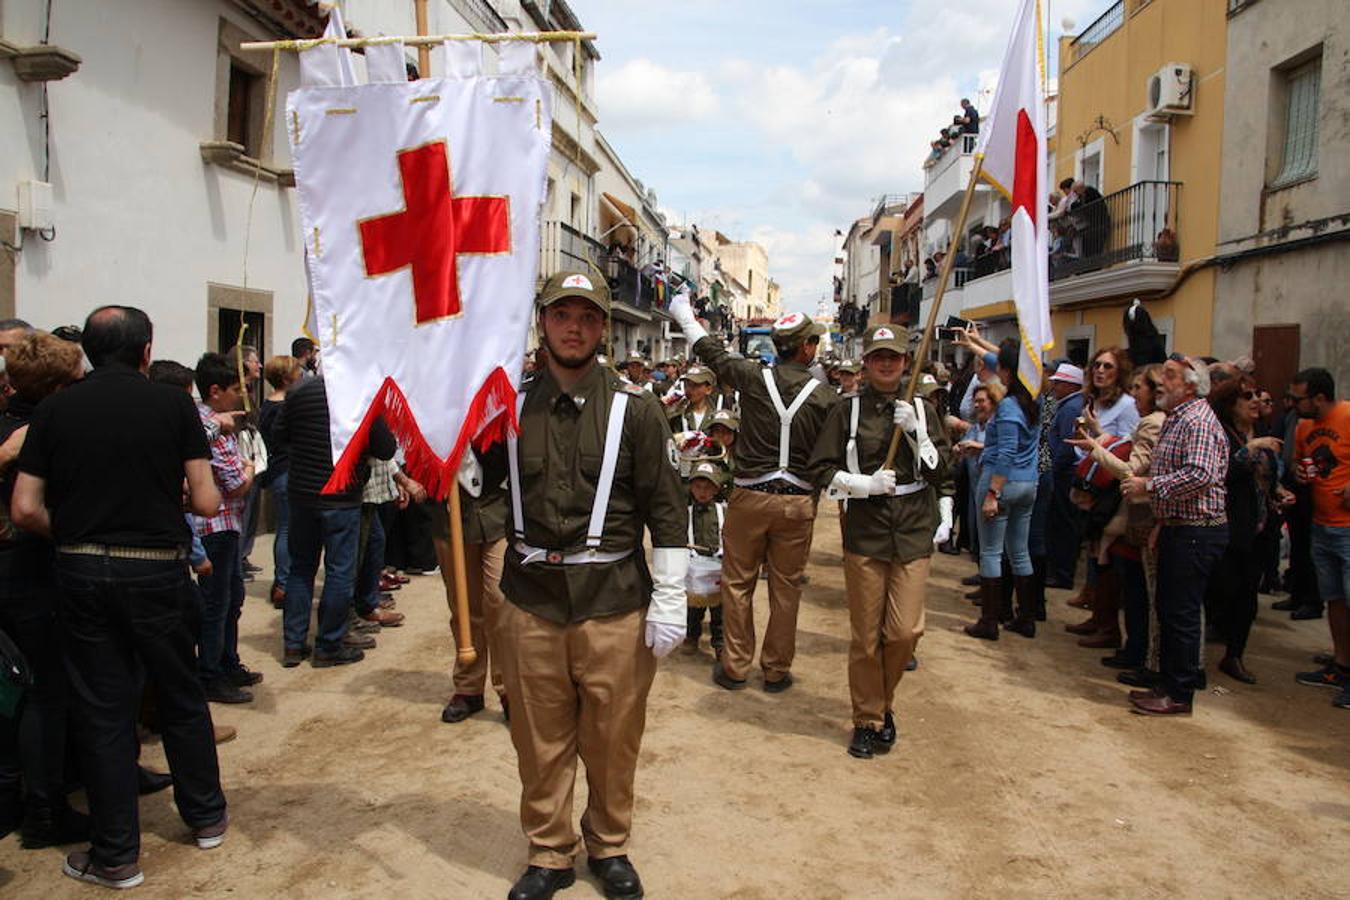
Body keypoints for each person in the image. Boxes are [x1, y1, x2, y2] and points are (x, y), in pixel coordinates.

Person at [10, 306, 228, 889]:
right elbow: (208, 503)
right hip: (158, 572)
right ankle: (206, 818)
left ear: (89, 349)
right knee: (181, 694)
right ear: (146, 350)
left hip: (80, 576)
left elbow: (25, 507)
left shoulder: (54, 411)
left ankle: (115, 856)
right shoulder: (173, 405)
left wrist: (79, 536)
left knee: (102, 713)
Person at [497, 272, 686, 900]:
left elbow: (667, 510)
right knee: (539, 738)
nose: (572, 327)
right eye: (560, 315)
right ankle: (549, 851)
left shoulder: (638, 409)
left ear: (603, 327)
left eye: (586, 316)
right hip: (531, 599)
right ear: (542, 323)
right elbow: (475, 480)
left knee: (611, 738)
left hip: (613, 602)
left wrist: (671, 596)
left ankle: (608, 844)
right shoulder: (506, 405)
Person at [670, 294, 836, 693]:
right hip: (796, 502)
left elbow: (712, 351)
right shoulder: (825, 397)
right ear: (807, 347)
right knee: (786, 588)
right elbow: (827, 458)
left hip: (749, 497)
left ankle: (736, 665)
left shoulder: (753, 377)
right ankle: (776, 670)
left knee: (738, 582)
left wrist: (685, 317)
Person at [809, 325, 952, 758]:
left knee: (905, 631)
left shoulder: (923, 410)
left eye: (894, 357)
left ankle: (882, 702)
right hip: (867, 529)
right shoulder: (845, 410)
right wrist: (861, 483)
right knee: (866, 635)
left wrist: (917, 434)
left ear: (907, 362)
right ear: (866, 363)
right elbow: (821, 470)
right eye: (878, 357)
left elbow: (942, 470)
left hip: (912, 528)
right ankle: (869, 718)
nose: (887, 364)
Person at [0, 332, 87, 848]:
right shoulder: (43, 433)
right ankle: (43, 811)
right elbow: (28, 511)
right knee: (44, 693)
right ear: (57, 387)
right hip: (30, 573)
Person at [1121, 354, 1228, 716]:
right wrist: (1162, 524)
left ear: (1190, 385)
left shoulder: (1196, 421)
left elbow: (1200, 474)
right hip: (1179, 528)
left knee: (1180, 613)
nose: (1160, 382)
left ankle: (1179, 693)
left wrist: (1148, 486)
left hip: (1197, 533)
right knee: (1169, 609)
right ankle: (1166, 683)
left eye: (1168, 375)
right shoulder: (1177, 418)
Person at [274, 374, 396, 668]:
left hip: (303, 491)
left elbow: (279, 435)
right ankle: (329, 644)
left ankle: (293, 644)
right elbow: (386, 447)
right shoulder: (360, 391)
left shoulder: (299, 390)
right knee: (340, 571)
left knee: (301, 568)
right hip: (341, 496)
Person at [1068, 365, 1164, 676]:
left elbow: (1130, 468)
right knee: (1111, 568)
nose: (1135, 393)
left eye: (1140, 387)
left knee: (1136, 589)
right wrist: (1099, 434)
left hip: (1135, 511)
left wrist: (1095, 449)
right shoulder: (1141, 419)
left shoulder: (1152, 423)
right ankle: (1118, 634)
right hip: (1118, 506)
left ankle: (1137, 651)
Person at [190, 353, 260, 703]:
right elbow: (235, 482)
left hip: (226, 524)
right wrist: (249, 469)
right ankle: (211, 673)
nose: (241, 395)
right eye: (237, 388)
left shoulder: (219, 424)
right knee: (217, 603)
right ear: (215, 391)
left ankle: (228, 663)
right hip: (213, 526)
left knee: (232, 598)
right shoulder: (211, 427)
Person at [1205, 375, 1284, 685]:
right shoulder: (1222, 434)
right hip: (1228, 526)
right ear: (1230, 405)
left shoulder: (1263, 431)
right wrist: (1249, 448)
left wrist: (1278, 491)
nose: (1255, 400)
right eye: (1246, 396)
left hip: (1260, 528)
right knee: (1220, 590)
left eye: (1257, 395)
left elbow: (1269, 476)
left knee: (1248, 598)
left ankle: (1234, 656)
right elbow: (1218, 473)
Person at [964, 340, 1041, 640]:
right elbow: (999, 359)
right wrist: (974, 344)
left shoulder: (1008, 405)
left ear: (1007, 371)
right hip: (1028, 482)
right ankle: (1026, 617)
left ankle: (989, 621)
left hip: (1003, 482)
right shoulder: (1035, 399)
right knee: (1020, 552)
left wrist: (993, 493)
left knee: (992, 552)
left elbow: (1006, 451)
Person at [434, 444, 510, 725]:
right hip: (451, 518)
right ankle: (468, 688)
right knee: (464, 608)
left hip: (498, 514)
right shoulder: (432, 416)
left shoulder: (495, 404)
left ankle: (508, 689)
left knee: (500, 602)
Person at [1288, 368, 1350, 709]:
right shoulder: (1304, 427)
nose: (1294, 404)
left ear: (1320, 398)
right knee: (1335, 600)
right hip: (1321, 524)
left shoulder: (1349, 416)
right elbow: (1302, 463)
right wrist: (1299, 471)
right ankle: (1341, 666)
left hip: (1348, 526)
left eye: (1299, 399)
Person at [259, 355, 301, 608]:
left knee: (286, 528)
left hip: (277, 471)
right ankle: (284, 583)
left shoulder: (267, 405)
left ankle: (283, 582)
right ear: (286, 377)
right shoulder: (287, 405)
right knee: (288, 529)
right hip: (289, 471)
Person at [684, 459, 729, 656]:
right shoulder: (686, 512)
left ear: (717, 489)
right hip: (695, 569)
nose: (702, 491)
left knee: (720, 610)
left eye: (708, 487)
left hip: (719, 567)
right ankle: (692, 636)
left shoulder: (724, 511)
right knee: (693, 609)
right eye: (698, 486)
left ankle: (719, 642)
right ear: (691, 487)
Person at [667, 364, 717, 433]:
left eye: (696, 385)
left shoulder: (716, 414)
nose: (689, 389)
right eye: (687, 384)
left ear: (708, 389)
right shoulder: (678, 415)